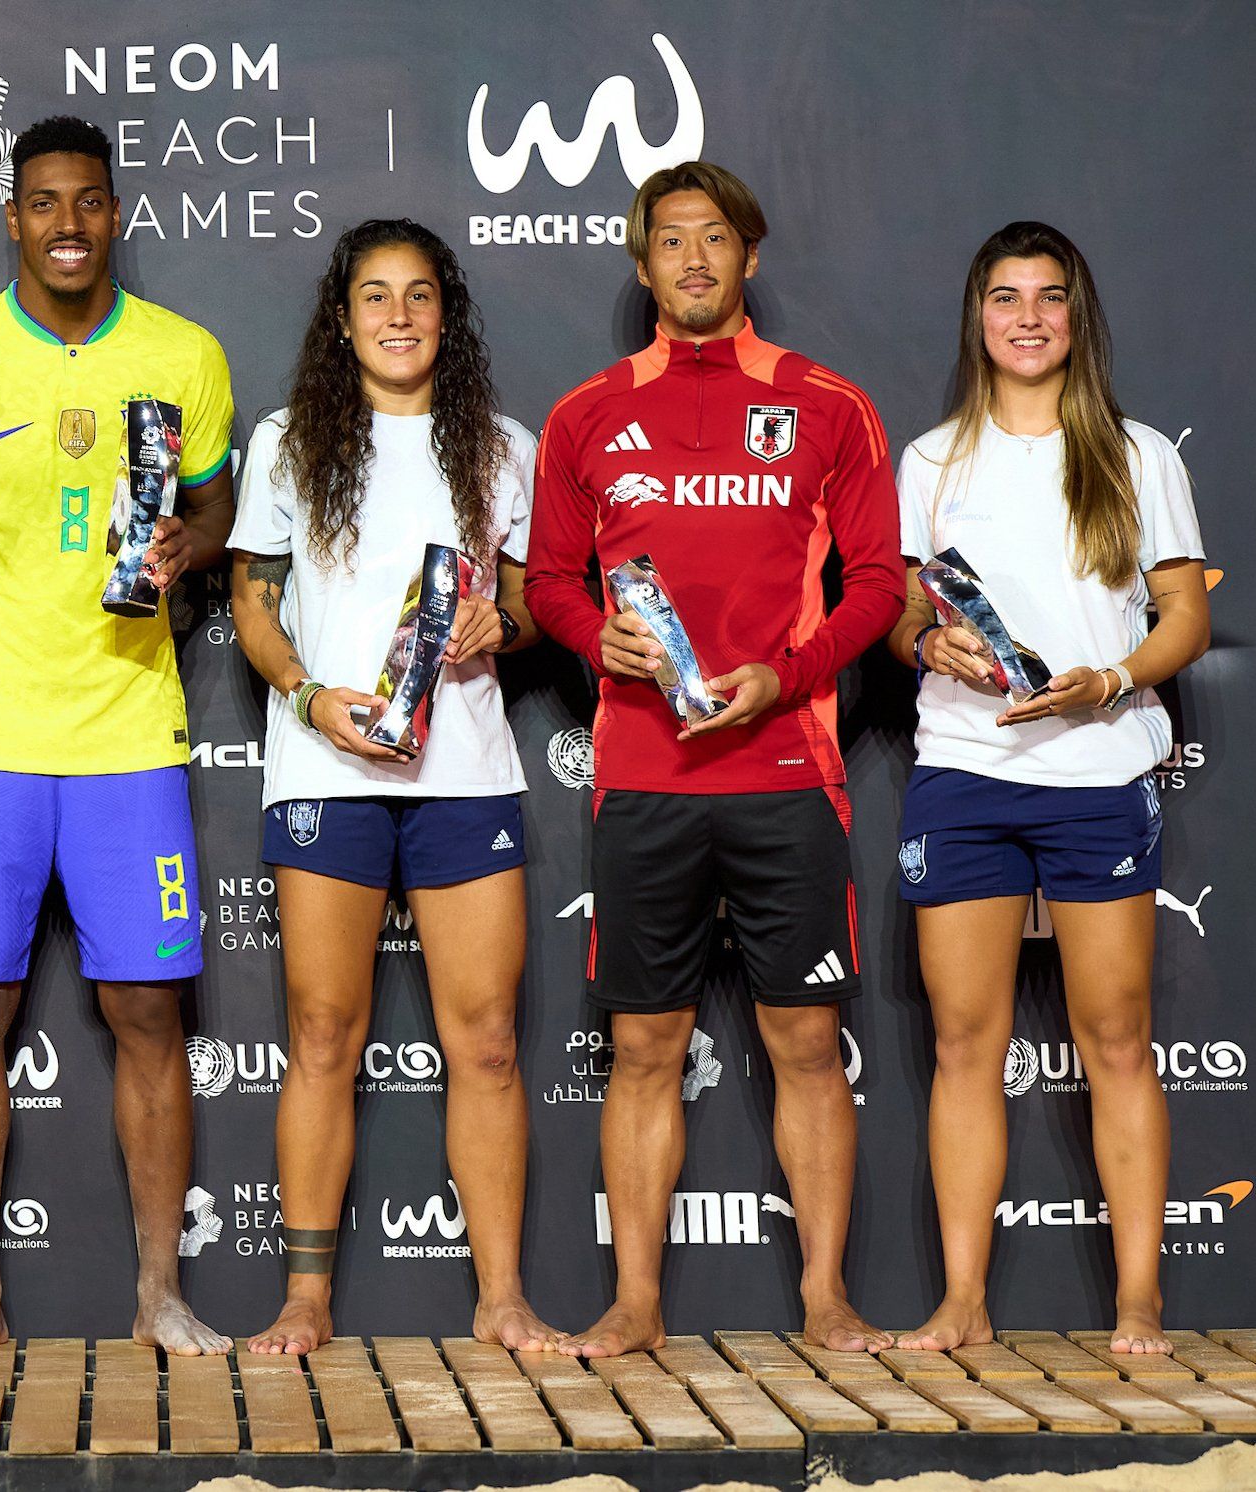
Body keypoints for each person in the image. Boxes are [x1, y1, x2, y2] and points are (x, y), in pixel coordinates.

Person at [525, 161, 903, 1357]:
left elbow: (881, 583)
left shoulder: (826, 404)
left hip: (787, 769)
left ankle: (826, 1296)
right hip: (643, 778)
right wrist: (604, 642)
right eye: (670, 241)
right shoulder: (585, 414)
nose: (693, 259)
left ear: (750, 255)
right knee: (644, 1046)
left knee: (803, 1040)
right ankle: (635, 1303)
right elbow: (543, 583)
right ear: (640, 266)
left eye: (716, 239)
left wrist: (783, 676)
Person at [0, 115, 235, 1356]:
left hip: (130, 733)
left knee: (147, 1014)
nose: (67, 223)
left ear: (115, 213)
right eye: (42, 203)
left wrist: (194, 541)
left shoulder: (183, 353)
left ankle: (159, 1295)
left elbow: (214, 497)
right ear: (11, 217)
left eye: (88, 201)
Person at [228, 219, 556, 1356]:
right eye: (376, 296)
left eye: (420, 295)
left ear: (446, 314)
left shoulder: (502, 447)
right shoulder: (287, 441)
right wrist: (311, 696)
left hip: (463, 774)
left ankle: (502, 1296)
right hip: (325, 768)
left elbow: (528, 605)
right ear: (342, 316)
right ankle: (305, 1301)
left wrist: (494, 624)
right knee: (321, 1034)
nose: (400, 316)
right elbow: (252, 606)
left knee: (490, 1043)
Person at [887, 223, 1208, 1357]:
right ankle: (962, 1302)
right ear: (976, 316)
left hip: (1096, 772)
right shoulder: (928, 460)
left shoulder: (1136, 454)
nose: (1027, 317)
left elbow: (1187, 617)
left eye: (1050, 297)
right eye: (1005, 296)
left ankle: (1137, 1301)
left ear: (1078, 317)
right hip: (964, 773)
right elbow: (901, 611)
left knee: (1115, 1039)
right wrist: (934, 649)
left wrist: (1110, 679)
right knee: (963, 1043)